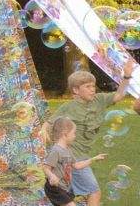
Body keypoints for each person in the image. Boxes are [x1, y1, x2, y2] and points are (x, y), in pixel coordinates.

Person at [41, 60, 135, 206]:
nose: (92, 89)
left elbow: (119, 95)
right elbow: (49, 123)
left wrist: (127, 76)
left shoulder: (99, 100)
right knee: (94, 191)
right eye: (88, 86)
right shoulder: (68, 107)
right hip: (72, 157)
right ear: (76, 91)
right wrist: (43, 131)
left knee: (68, 194)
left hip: (81, 157)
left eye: (93, 86)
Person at [43, 117, 106, 206]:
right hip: (54, 188)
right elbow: (46, 168)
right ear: (65, 134)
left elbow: (77, 165)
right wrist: (52, 176)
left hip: (64, 187)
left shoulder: (68, 150)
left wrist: (93, 159)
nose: (75, 136)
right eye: (73, 133)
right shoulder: (56, 150)